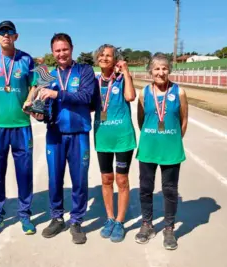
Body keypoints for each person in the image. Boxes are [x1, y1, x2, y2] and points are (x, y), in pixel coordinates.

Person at [33, 33, 97, 244]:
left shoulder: (85, 71)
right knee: (55, 179)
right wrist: (39, 113)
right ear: (52, 52)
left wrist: (57, 94)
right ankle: (57, 217)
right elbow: (44, 108)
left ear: (72, 49)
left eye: (65, 49)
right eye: (57, 50)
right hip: (55, 134)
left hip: (78, 133)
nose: (61, 54)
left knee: (79, 179)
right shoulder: (47, 76)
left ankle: (76, 221)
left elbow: (86, 97)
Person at [0, 20, 37, 235]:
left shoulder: (27, 59)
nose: (6, 36)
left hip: (21, 125)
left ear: (16, 36)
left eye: (9, 32)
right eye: (2, 32)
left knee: (24, 172)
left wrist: (30, 99)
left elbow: (40, 81)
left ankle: (25, 215)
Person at [135, 53, 188, 250]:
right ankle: (147, 224)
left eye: (164, 68)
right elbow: (141, 120)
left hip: (171, 150)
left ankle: (168, 228)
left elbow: (184, 121)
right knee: (145, 189)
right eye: (156, 68)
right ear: (150, 71)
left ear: (169, 70)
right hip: (148, 148)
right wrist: (152, 136)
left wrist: (172, 139)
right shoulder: (143, 93)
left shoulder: (179, 92)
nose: (161, 72)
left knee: (170, 190)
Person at [93, 44, 137, 242]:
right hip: (102, 138)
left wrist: (126, 72)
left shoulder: (121, 79)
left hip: (122, 138)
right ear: (97, 59)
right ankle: (109, 218)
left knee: (122, 180)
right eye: (101, 55)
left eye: (108, 55)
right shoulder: (93, 82)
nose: (104, 58)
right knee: (106, 179)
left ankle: (120, 221)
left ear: (115, 59)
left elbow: (130, 96)